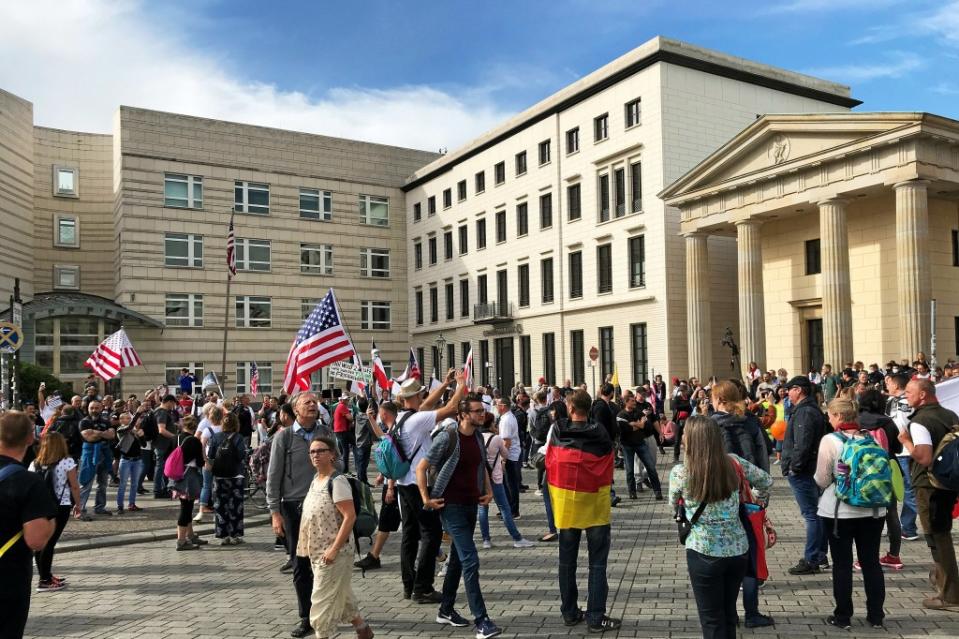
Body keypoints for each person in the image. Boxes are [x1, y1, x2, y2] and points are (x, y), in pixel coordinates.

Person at [669, 415, 772, 639]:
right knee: (728, 615)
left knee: (711, 619)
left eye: (685, 433)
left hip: (702, 550)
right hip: (737, 550)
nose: (682, 436)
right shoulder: (733, 462)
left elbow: (673, 505)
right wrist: (757, 501)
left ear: (692, 439)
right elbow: (766, 480)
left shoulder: (681, 472)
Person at [416, 393, 503, 639]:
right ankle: (482, 620)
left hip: (470, 504)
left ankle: (445, 610)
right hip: (450, 505)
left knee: (457, 559)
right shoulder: (447, 437)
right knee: (470, 559)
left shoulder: (476, 436)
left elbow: (481, 465)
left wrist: (487, 490)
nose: (482, 414)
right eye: (476, 411)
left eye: (482, 410)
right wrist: (426, 498)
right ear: (463, 414)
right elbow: (421, 468)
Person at [547, 390, 620, 632]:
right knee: (597, 564)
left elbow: (551, 459)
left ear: (570, 408)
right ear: (589, 409)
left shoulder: (558, 429)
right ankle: (596, 618)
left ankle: (569, 613)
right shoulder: (599, 431)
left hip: (568, 507)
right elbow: (609, 461)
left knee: (566, 563)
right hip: (595, 506)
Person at [814, 398, 886, 629]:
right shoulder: (871, 437)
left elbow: (822, 478)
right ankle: (876, 615)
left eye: (830, 415)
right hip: (873, 510)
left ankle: (843, 616)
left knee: (842, 564)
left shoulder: (830, 440)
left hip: (839, 512)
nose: (828, 418)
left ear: (837, 417)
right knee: (871, 562)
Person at [393, 371, 465, 604]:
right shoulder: (417, 419)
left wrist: (444, 384)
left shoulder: (401, 418)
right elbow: (452, 408)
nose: (424, 395)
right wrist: (461, 385)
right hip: (417, 485)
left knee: (409, 535)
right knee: (431, 534)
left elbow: (426, 405)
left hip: (404, 483)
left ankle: (408, 585)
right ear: (414, 396)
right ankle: (423, 588)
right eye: (421, 393)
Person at [267, 392, 335, 638]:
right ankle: (306, 616)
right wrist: (275, 512)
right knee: (301, 564)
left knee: (326, 562)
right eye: (307, 402)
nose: (313, 405)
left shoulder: (326, 433)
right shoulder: (284, 437)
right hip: (294, 507)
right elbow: (273, 477)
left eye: (315, 402)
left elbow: (339, 467)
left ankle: (326, 610)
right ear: (295, 409)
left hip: (325, 504)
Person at [708, 380, 773, 628]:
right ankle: (752, 613)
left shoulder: (710, 424)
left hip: (721, 496)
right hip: (750, 495)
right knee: (752, 555)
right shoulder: (751, 422)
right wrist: (761, 495)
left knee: (724, 554)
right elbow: (762, 458)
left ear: (720, 400)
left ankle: (729, 614)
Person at [297, 436, 373, 639]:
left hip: (334, 552)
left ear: (332, 454)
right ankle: (363, 629)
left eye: (320, 451)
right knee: (340, 592)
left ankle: (322, 634)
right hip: (316, 549)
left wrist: (334, 549)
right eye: (312, 452)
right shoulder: (316, 479)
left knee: (321, 603)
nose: (315, 455)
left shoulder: (337, 481)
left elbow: (350, 517)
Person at [898, 379, 959, 610]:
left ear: (923, 395)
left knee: (937, 536)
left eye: (909, 392)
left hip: (928, 484)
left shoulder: (921, 421)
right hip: (948, 481)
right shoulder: (950, 414)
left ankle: (950, 594)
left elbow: (924, 457)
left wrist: (905, 441)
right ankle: (941, 580)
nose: (906, 397)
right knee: (941, 532)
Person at [0, 411, 57, 638]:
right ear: (29, 439)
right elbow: (36, 539)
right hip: (7, 576)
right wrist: (51, 521)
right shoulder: (28, 481)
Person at [782, 376, 830, 575]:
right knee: (816, 513)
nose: (787, 393)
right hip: (810, 468)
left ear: (799, 390)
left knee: (811, 515)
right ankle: (819, 555)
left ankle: (812, 558)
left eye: (790, 389)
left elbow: (803, 443)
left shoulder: (805, 412)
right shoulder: (808, 410)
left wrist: (795, 467)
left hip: (804, 471)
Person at [856, 388, 904, 569]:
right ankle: (894, 556)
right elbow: (898, 449)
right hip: (888, 471)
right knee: (891, 514)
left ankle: (864, 558)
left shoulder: (856, 421)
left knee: (865, 516)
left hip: (862, 472)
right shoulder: (888, 422)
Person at [29, 432, 80, 591]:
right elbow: (74, 486)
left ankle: (46, 574)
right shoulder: (67, 462)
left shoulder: (35, 463)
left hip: (40, 507)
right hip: (60, 505)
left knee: (43, 543)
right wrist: (78, 504)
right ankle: (44, 580)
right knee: (49, 543)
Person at [478, 413, 536, 549]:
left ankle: (486, 540)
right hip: (496, 478)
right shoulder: (496, 438)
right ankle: (517, 538)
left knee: (482, 509)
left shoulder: (477, 437)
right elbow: (506, 454)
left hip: (481, 479)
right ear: (491, 423)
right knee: (505, 508)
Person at [354, 401, 398, 572]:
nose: (379, 416)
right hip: (391, 482)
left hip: (396, 485)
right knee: (389, 522)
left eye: (379, 413)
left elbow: (395, 460)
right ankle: (374, 556)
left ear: (385, 414)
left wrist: (391, 486)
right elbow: (382, 438)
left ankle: (442, 557)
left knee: (416, 526)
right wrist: (381, 474)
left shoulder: (396, 430)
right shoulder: (393, 429)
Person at [885, 373, 919, 541]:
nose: (887, 386)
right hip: (892, 451)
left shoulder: (907, 402)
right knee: (895, 489)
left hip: (906, 452)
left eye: (889, 383)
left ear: (896, 385)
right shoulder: (890, 401)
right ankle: (901, 525)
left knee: (909, 490)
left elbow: (907, 425)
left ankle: (912, 527)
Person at [208, 413, 248, 545]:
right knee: (236, 505)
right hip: (235, 475)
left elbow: (211, 455)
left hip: (219, 476)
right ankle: (235, 535)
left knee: (220, 505)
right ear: (236, 424)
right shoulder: (238, 437)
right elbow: (242, 455)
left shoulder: (216, 437)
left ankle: (222, 535)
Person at [616, 393, 663, 501]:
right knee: (629, 470)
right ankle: (632, 492)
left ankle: (657, 491)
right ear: (626, 402)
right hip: (627, 445)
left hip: (640, 443)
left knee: (651, 467)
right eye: (632, 401)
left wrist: (634, 424)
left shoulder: (639, 412)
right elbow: (625, 430)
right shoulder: (620, 415)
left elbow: (645, 425)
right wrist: (638, 424)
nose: (634, 402)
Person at [169, 415, 206, 551]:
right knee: (186, 509)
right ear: (195, 427)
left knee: (186, 507)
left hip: (177, 475)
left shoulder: (175, 438)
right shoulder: (195, 441)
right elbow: (200, 462)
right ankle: (181, 540)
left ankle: (190, 535)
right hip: (189, 476)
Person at [77, 400, 115, 519]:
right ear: (88, 408)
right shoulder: (84, 422)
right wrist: (103, 433)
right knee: (85, 483)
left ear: (101, 408)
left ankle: (100, 507)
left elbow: (111, 435)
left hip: (104, 454)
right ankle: (80, 509)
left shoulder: (106, 421)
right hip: (89, 454)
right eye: (92, 408)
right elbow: (88, 437)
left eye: (96, 408)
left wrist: (95, 432)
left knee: (102, 484)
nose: (94, 410)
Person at [494, 397, 523, 519]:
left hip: (509, 455)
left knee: (510, 484)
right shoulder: (506, 417)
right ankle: (507, 508)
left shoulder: (506, 419)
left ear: (503, 406)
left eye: (497, 404)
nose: (495, 406)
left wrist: (503, 459)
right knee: (507, 484)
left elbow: (506, 442)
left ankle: (513, 510)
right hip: (511, 454)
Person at [113, 412, 144, 514]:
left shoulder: (134, 431)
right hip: (126, 460)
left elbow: (143, 445)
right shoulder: (121, 430)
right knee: (123, 484)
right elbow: (129, 428)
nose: (127, 420)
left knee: (134, 484)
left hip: (137, 460)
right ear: (121, 420)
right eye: (125, 418)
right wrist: (138, 413)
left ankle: (132, 504)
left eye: (128, 418)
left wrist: (142, 435)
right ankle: (120, 506)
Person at [153, 394, 180, 498]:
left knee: (163, 467)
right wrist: (175, 437)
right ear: (169, 402)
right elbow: (161, 430)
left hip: (163, 444)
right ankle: (158, 491)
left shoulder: (159, 411)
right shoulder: (162, 412)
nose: (173, 406)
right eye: (173, 403)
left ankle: (163, 489)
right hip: (162, 444)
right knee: (160, 467)